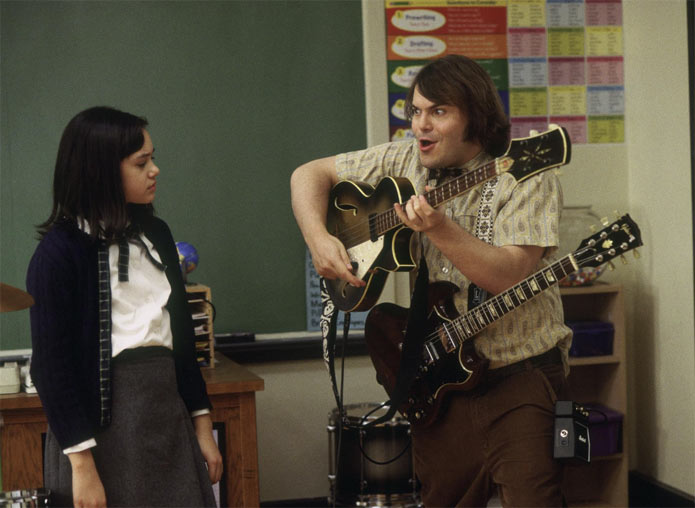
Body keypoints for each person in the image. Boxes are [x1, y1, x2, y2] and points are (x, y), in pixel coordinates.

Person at [291, 55, 572, 507]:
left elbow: (508, 274)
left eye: (438, 112)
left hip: (521, 375)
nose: (421, 125)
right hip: (441, 379)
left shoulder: (526, 172)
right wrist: (320, 239)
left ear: (475, 117)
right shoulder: (405, 159)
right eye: (416, 111)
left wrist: (439, 228)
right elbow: (308, 174)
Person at [26, 106, 223, 508]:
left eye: (152, 158)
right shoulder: (58, 253)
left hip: (165, 417)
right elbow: (51, 366)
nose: (155, 170)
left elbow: (183, 340)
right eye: (141, 162)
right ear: (100, 172)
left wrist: (202, 426)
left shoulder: (156, 234)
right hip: (99, 438)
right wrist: (83, 469)